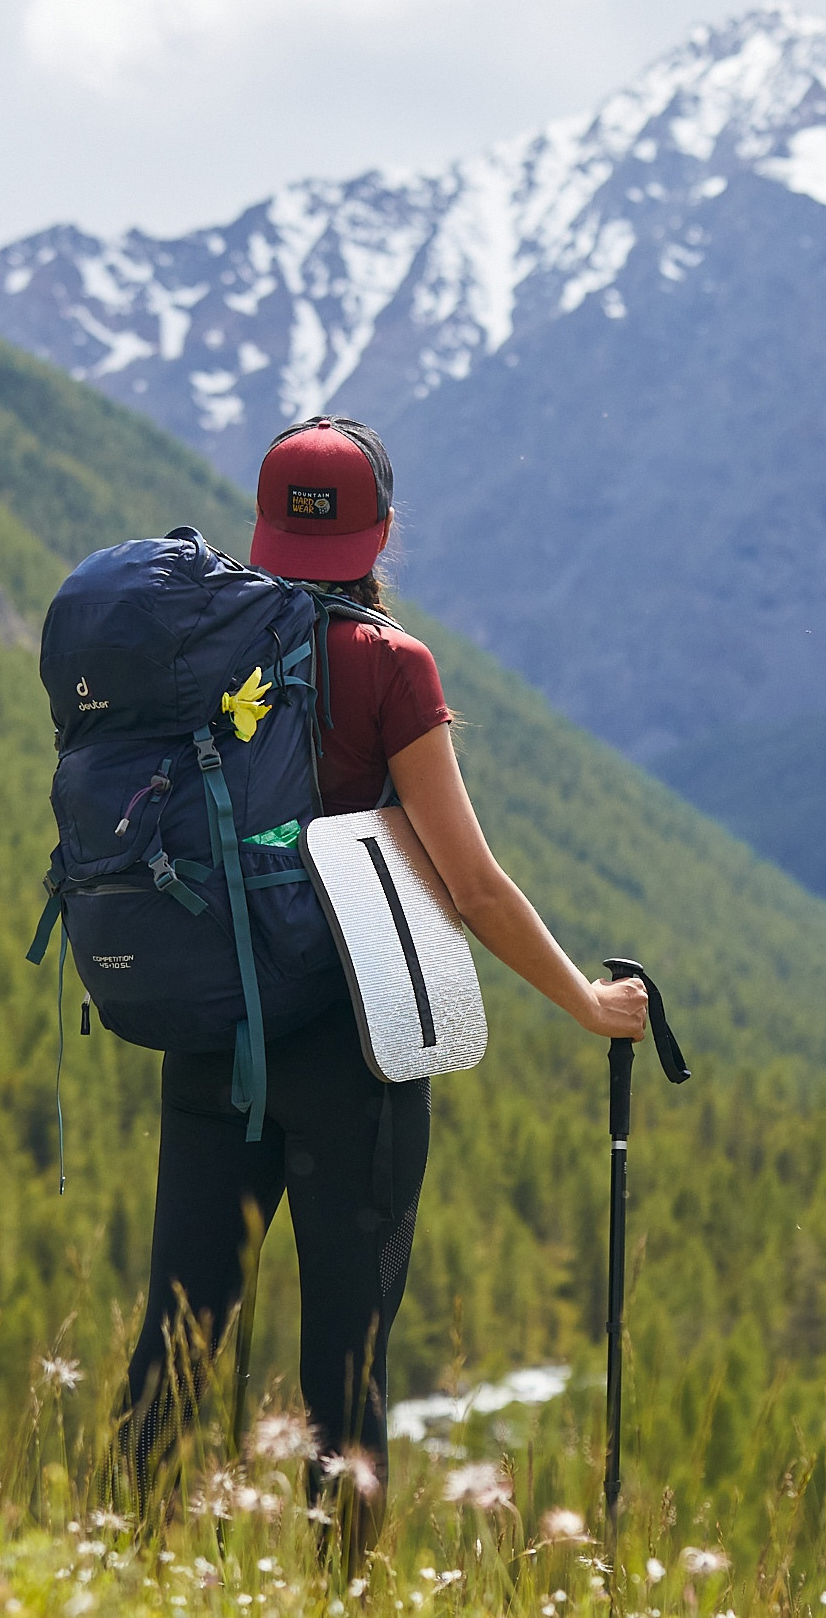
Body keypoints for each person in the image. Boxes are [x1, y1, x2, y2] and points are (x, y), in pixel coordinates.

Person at [119, 415, 648, 1557]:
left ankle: (121, 1571)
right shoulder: (388, 664)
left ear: (260, 527)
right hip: (351, 1057)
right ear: (385, 532)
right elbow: (474, 885)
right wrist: (585, 1003)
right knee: (344, 1372)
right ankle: (334, 1592)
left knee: (177, 1341)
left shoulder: (193, 644)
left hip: (211, 1035)